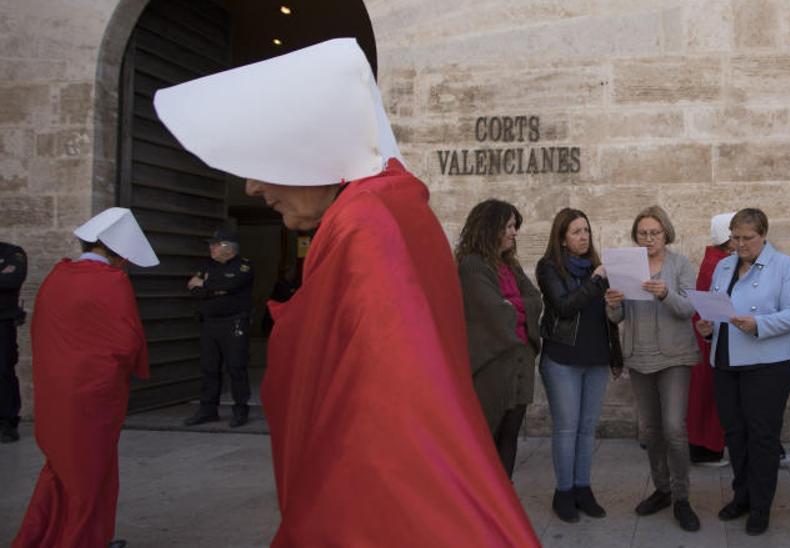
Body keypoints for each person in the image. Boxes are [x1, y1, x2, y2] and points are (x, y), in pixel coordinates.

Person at [154, 39, 538, 546]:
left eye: (263, 160)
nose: (250, 187)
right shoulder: (391, 206)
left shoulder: (363, 223)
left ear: (314, 149)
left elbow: (379, 395)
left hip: (373, 493)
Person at [12, 207, 157, 548]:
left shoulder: (58, 275)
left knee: (62, 468)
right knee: (92, 472)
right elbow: (127, 340)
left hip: (56, 389)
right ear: (118, 253)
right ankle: (82, 539)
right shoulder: (113, 281)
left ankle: (47, 533)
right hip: (95, 393)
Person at [694, 208, 790, 536]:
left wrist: (759, 324)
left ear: (763, 235)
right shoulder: (724, 265)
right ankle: (740, 496)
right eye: (735, 237)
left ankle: (760, 505)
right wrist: (707, 328)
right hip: (727, 359)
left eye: (747, 238)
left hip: (768, 363)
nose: (739, 244)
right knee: (735, 433)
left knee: (762, 436)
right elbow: (719, 311)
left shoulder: (784, 265)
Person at [605, 205, 702, 532]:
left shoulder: (680, 264)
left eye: (655, 233)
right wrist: (613, 303)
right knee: (649, 429)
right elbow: (616, 318)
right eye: (643, 233)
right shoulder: (627, 266)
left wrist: (666, 294)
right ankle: (661, 489)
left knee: (674, 427)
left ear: (666, 234)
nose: (649, 239)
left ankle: (682, 496)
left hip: (674, 356)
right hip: (639, 356)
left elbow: (690, 308)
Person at [536, 207, 618, 524]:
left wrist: (615, 307)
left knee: (587, 429)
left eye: (586, 231)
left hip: (596, 358)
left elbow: (610, 320)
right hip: (563, 359)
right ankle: (564, 492)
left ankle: (583, 488)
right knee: (567, 429)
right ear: (562, 238)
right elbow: (565, 306)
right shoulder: (549, 268)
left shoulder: (598, 269)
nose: (584, 237)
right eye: (576, 232)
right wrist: (597, 283)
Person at [455, 199, 542, 478]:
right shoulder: (472, 266)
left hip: (520, 365)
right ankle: (482, 509)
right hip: (492, 367)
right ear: (490, 228)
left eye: (515, 226)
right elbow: (493, 313)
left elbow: (536, 300)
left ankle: (504, 507)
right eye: (508, 226)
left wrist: (510, 305)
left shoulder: (510, 266)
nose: (514, 232)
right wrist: (516, 308)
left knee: (510, 437)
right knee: (485, 441)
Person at [184, 227, 254, 428]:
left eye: (215, 244)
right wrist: (215, 289)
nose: (211, 248)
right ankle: (208, 410)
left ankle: (240, 410)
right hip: (210, 324)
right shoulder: (207, 266)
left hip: (234, 323)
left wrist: (205, 286)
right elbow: (192, 288)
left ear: (228, 248)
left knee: (236, 367)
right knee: (209, 368)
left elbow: (232, 285)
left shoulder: (244, 266)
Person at [687, 212, 734, 466]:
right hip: (713, 337)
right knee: (710, 396)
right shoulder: (720, 263)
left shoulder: (715, 260)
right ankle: (707, 447)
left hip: (711, 335)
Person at [0, 240, 27, 443]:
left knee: (3, 371)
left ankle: (8, 422)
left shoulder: (12, 252)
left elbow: (12, 280)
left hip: (2, 322)